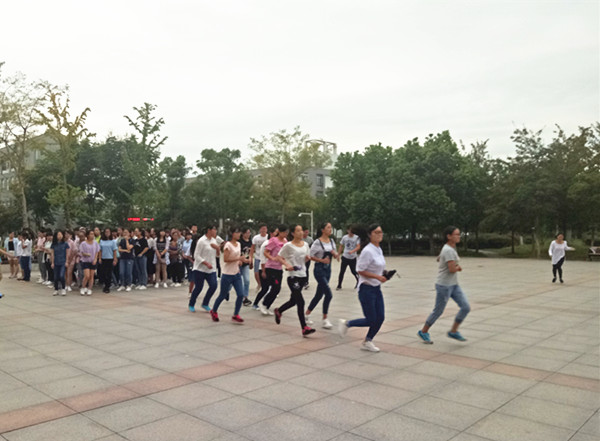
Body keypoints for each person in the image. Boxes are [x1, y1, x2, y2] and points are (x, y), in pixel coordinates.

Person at [418, 226, 471, 344]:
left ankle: (453, 331)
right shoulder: (448, 250)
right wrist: (458, 268)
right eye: (456, 234)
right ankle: (423, 331)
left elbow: (440, 258)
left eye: (459, 234)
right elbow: (452, 269)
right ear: (449, 236)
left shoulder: (450, 248)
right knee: (438, 311)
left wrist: (442, 259)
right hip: (444, 286)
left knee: (465, 307)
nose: (459, 236)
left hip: (454, 285)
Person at [338, 224, 386, 352]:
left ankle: (367, 341)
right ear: (370, 235)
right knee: (371, 319)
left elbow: (377, 266)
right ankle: (347, 323)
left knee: (380, 318)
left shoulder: (378, 249)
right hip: (366, 289)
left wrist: (384, 274)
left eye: (381, 232)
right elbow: (360, 270)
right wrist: (377, 276)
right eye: (376, 232)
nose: (379, 234)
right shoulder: (367, 251)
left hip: (376, 288)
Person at [274, 224, 316, 336]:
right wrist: (287, 265)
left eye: (301, 230)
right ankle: (304, 327)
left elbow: (305, 259)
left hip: (302, 275)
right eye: (298, 231)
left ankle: (279, 311)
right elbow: (279, 257)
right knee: (300, 301)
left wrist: (307, 259)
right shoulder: (288, 245)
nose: (301, 232)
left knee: (293, 301)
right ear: (292, 233)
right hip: (293, 276)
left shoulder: (305, 245)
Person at [210, 226, 248, 323]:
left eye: (239, 232)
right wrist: (238, 259)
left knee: (240, 294)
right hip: (227, 274)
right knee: (222, 295)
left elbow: (237, 256)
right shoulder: (228, 245)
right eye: (237, 232)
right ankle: (214, 311)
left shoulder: (239, 244)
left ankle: (236, 314)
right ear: (232, 234)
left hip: (236, 274)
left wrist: (241, 261)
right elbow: (226, 259)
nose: (239, 234)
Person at [305, 222, 339, 329]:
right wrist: (321, 260)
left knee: (319, 295)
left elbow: (335, 253)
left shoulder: (332, 241)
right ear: (322, 230)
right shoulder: (317, 242)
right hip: (319, 270)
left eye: (331, 227)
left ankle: (307, 314)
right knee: (328, 294)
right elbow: (310, 256)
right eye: (328, 227)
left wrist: (335, 254)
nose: (330, 229)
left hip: (328, 270)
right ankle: (325, 319)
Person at [188, 225, 219, 312]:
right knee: (199, 287)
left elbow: (217, 255)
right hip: (200, 268)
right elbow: (196, 255)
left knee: (213, 286)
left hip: (211, 268)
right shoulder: (201, 241)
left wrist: (217, 249)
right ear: (209, 230)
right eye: (214, 229)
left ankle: (205, 303)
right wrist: (205, 263)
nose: (215, 231)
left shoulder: (214, 240)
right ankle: (191, 303)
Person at [260, 225, 288, 315]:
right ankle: (264, 304)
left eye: (287, 232)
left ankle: (267, 306)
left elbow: (285, 254)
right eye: (284, 232)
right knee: (275, 287)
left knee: (277, 289)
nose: (286, 234)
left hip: (279, 268)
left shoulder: (285, 241)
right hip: (271, 268)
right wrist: (272, 258)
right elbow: (265, 252)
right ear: (280, 232)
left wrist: (286, 263)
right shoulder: (273, 240)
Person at [252, 226, 278, 310]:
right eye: (276, 232)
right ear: (271, 233)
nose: (278, 234)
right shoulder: (267, 244)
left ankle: (265, 304)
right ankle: (256, 303)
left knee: (274, 287)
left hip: (272, 269)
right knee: (265, 288)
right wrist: (263, 271)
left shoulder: (276, 243)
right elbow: (262, 259)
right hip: (264, 268)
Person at [336, 225, 360, 290]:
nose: (351, 232)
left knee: (353, 271)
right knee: (342, 271)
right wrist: (338, 255)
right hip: (345, 257)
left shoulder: (356, 238)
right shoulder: (345, 237)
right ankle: (339, 285)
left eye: (352, 231)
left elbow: (358, 246)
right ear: (347, 230)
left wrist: (353, 251)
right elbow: (341, 246)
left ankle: (359, 281)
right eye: (350, 231)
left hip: (353, 257)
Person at [79, 229, 100, 295]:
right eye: (91, 234)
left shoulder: (95, 243)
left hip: (93, 261)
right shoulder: (83, 243)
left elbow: (97, 252)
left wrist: (95, 259)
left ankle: (89, 288)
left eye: (93, 234)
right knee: (87, 276)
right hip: (85, 261)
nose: (92, 235)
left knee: (91, 276)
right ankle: (83, 287)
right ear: (87, 235)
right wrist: (86, 254)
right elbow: (81, 252)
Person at [50, 230, 69, 296]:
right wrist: (52, 262)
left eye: (61, 234)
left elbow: (67, 253)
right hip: (56, 262)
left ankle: (63, 288)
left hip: (63, 262)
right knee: (55, 277)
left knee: (61, 276)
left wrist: (67, 261)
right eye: (58, 235)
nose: (60, 236)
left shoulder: (65, 244)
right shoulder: (53, 244)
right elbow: (52, 254)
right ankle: (56, 289)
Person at [99, 228, 118, 293]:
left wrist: (115, 259)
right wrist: (99, 258)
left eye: (108, 232)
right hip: (103, 258)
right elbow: (100, 250)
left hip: (110, 258)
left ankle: (107, 286)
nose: (107, 233)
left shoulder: (113, 241)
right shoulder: (101, 241)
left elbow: (114, 251)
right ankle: (105, 284)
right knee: (103, 273)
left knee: (109, 273)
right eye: (106, 232)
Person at [251, 224, 269, 292]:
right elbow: (252, 248)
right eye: (262, 228)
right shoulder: (256, 238)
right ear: (260, 229)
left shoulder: (268, 237)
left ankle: (267, 285)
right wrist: (250, 257)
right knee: (256, 272)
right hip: (257, 257)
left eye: (265, 228)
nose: (264, 230)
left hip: (265, 258)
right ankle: (259, 284)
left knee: (266, 272)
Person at [239, 226, 253, 306]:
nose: (248, 234)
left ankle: (245, 297)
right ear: (243, 233)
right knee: (237, 281)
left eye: (249, 233)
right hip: (239, 264)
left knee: (247, 280)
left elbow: (251, 252)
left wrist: (251, 261)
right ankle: (226, 291)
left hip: (246, 264)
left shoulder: (250, 242)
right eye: (247, 233)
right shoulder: (239, 242)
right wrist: (240, 260)